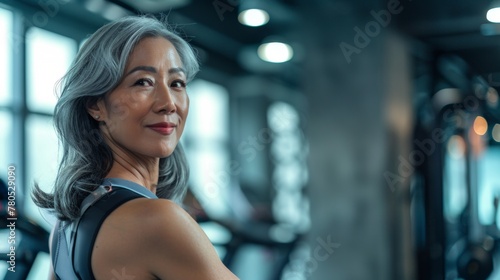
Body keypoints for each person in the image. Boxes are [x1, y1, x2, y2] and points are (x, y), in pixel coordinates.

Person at [32, 15, 239, 280]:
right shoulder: (161, 220)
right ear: (95, 105)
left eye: (177, 83)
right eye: (143, 82)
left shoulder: (63, 227)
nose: (168, 103)